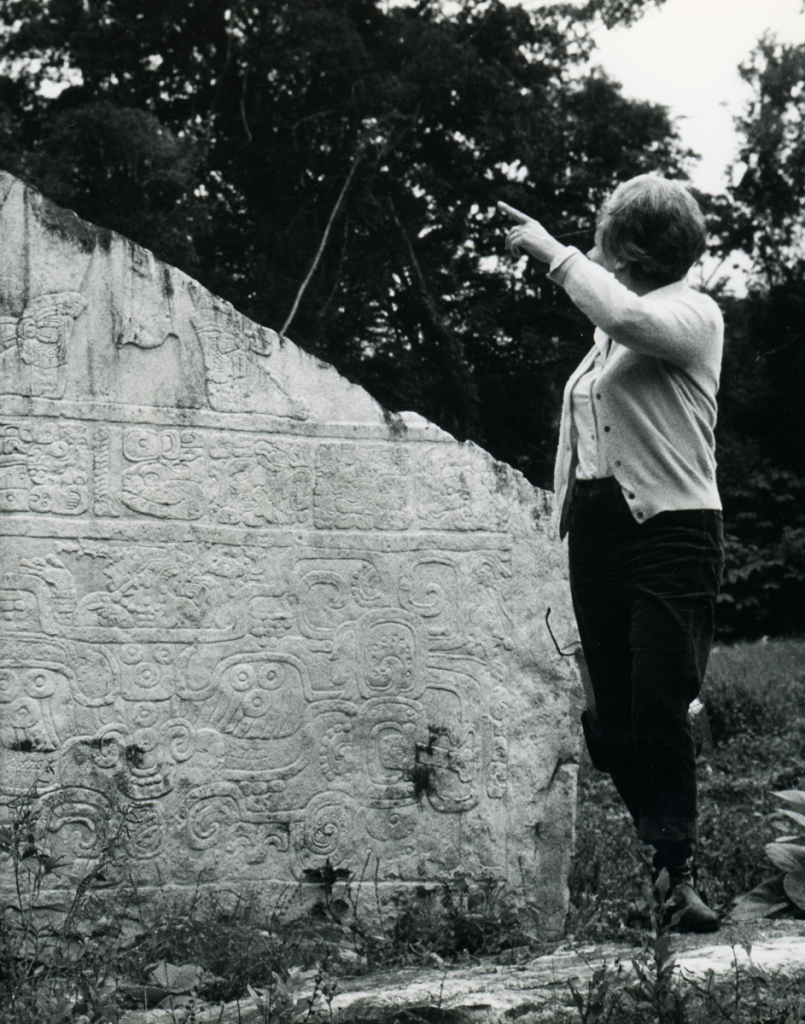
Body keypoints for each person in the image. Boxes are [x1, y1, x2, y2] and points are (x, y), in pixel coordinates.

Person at [499, 175, 724, 933]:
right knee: (612, 717)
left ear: (626, 246)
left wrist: (553, 256)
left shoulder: (691, 314)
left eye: (604, 236)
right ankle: (656, 859)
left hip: (672, 528)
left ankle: (675, 872)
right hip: (596, 528)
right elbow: (584, 428)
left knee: (658, 699)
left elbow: (626, 314)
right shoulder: (603, 339)